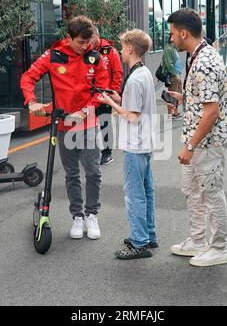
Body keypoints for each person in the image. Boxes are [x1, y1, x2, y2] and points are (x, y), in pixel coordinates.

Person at [20, 16, 109, 240]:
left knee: (93, 171)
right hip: (63, 125)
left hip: (88, 123)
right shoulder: (53, 56)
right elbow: (28, 77)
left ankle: (92, 215)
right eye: (80, 42)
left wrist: (85, 111)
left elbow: (101, 91)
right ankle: (77, 217)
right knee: (71, 174)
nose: (84, 46)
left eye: (87, 42)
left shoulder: (95, 58)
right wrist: (32, 102)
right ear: (68, 38)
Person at [167, 8, 227, 267]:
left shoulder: (204, 62)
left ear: (184, 33)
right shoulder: (198, 54)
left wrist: (189, 146)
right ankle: (198, 241)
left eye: (173, 33)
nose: (171, 38)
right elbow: (206, 99)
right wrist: (185, 97)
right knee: (193, 192)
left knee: (211, 193)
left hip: (206, 142)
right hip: (198, 139)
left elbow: (212, 112)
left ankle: (219, 248)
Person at [98, 29, 157, 260]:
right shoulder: (144, 73)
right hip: (146, 143)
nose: (121, 51)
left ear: (131, 49)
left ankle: (139, 242)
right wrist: (118, 98)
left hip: (135, 144)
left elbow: (131, 116)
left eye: (123, 47)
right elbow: (137, 108)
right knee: (147, 192)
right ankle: (149, 235)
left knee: (134, 195)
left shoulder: (133, 79)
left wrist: (109, 102)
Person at [90, 27, 123, 165]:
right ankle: (90, 152)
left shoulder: (110, 51)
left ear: (97, 36)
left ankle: (107, 153)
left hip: (105, 94)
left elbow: (117, 73)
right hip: (89, 95)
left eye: (90, 38)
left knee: (105, 123)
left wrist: (112, 93)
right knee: (89, 124)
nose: (88, 42)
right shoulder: (86, 51)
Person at [162, 36, 183, 120]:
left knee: (177, 95)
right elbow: (168, 63)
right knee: (172, 95)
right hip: (173, 76)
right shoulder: (168, 49)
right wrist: (174, 74)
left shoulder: (174, 48)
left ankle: (175, 112)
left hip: (177, 75)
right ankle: (170, 115)